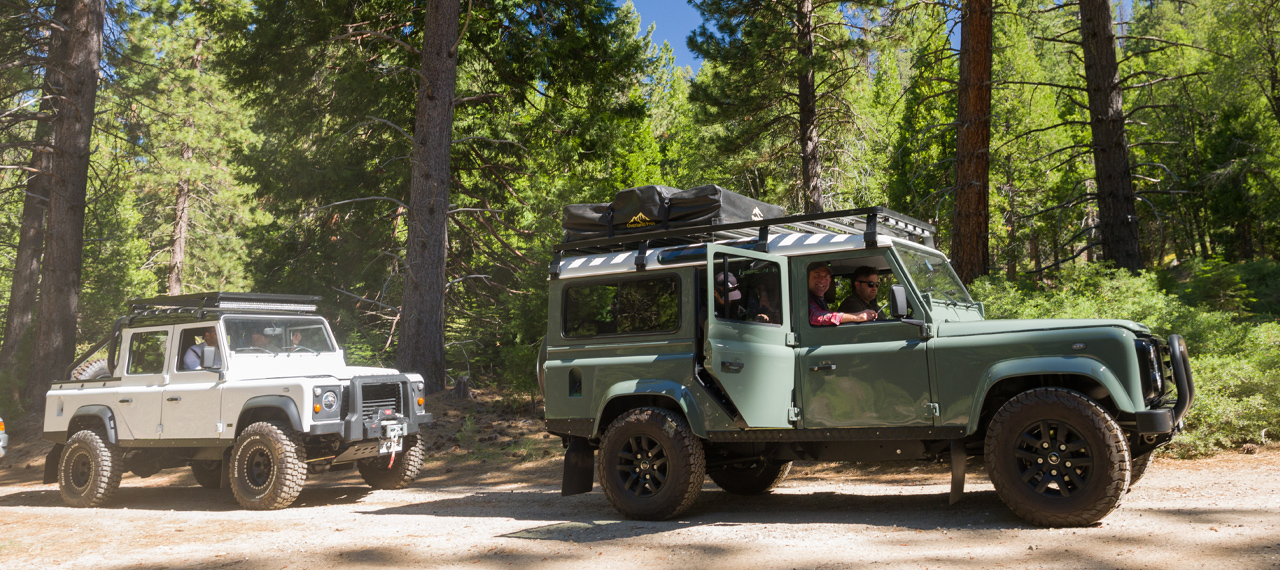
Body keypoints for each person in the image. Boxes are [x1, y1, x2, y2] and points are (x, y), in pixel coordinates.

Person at [807, 262, 877, 326]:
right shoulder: (804, 299)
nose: (822, 280)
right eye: (817, 275)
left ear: (830, 281)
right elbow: (818, 317)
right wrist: (857, 317)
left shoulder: (820, 302)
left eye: (826, 276)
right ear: (807, 279)